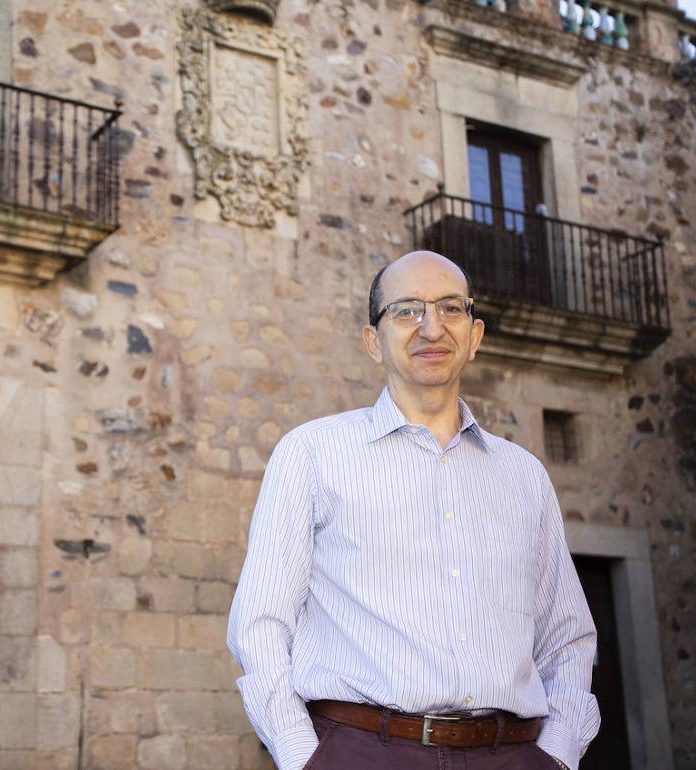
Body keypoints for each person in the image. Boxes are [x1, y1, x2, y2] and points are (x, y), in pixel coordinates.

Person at [227, 251, 599, 770]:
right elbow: (260, 624)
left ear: (475, 335)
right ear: (373, 341)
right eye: (406, 311)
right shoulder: (312, 454)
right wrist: (302, 756)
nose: (431, 327)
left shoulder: (524, 476)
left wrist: (557, 755)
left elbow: (568, 637)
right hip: (361, 751)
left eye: (450, 308)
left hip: (513, 754)